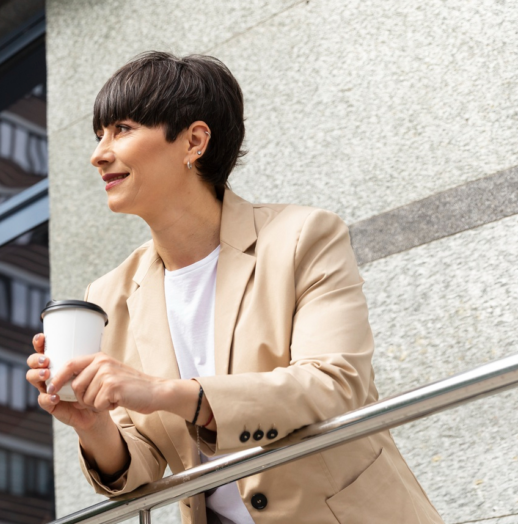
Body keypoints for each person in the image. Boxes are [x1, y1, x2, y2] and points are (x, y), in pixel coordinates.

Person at [26, 52, 443, 524]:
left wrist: (166, 392)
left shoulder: (304, 236)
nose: (98, 153)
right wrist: (94, 425)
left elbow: (333, 384)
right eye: (98, 135)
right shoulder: (110, 294)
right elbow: (141, 471)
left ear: (194, 141)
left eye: (122, 129)